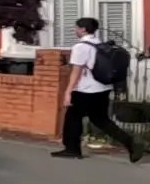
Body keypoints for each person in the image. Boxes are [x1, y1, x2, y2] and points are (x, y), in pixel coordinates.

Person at [53, 16, 143, 162]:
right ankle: (131, 143)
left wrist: (68, 91)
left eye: (76, 28)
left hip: (85, 90)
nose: (75, 30)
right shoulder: (100, 45)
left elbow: (77, 71)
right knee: (101, 120)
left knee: (72, 118)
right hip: (103, 88)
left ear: (82, 29)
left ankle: (72, 149)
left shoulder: (81, 47)